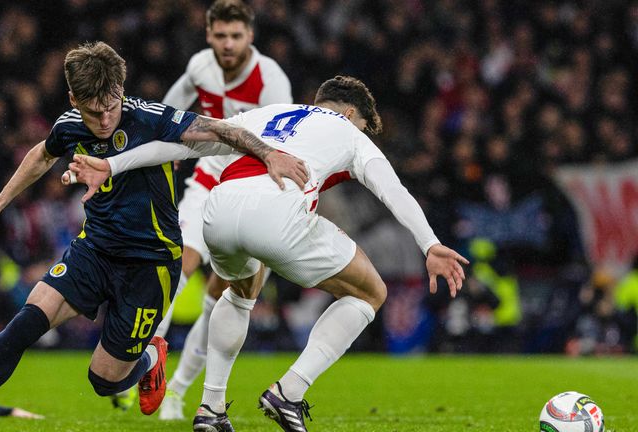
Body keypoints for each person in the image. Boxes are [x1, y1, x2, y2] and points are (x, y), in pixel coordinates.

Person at [0, 40, 308, 432]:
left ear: (121, 90)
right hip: (95, 250)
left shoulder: (151, 118)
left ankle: (150, 359)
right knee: (25, 322)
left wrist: (270, 153)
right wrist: (1, 199)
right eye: (91, 112)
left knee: (104, 381)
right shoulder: (68, 126)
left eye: (110, 108)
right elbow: (42, 154)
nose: (103, 121)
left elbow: (221, 130)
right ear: (72, 98)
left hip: (150, 265)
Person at [67, 75, 468, 432]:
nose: (361, 131)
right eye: (363, 125)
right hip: (278, 214)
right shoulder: (348, 131)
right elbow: (392, 190)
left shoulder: (265, 114)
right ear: (349, 113)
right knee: (370, 292)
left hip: (220, 211)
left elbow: (176, 146)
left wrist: (113, 164)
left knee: (240, 293)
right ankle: (289, 391)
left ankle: (211, 408)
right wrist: (430, 244)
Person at [153, 0, 292, 420]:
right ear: (208, 34)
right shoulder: (200, 66)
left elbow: (283, 144)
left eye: (236, 36)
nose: (227, 44)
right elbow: (168, 108)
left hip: (252, 189)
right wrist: (167, 145)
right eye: (220, 36)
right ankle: (149, 363)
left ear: (250, 36)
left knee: (221, 299)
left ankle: (177, 391)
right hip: (209, 177)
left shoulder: (270, 80)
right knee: (179, 264)